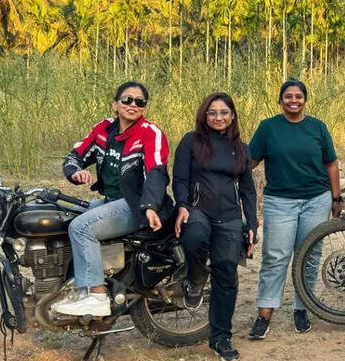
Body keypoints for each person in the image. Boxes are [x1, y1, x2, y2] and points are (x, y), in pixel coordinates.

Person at [52, 81, 173, 317]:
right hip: (112, 201)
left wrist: (150, 206)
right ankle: (74, 288)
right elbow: (75, 156)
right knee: (64, 219)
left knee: (81, 227)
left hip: (137, 205)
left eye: (140, 101)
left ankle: (96, 296)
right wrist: (75, 172)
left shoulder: (150, 133)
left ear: (144, 107)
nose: (133, 104)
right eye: (127, 99)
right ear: (115, 104)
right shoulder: (104, 129)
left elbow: (156, 173)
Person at [246, 79, 340, 340]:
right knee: (275, 257)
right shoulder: (268, 127)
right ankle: (265, 313)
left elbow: (331, 163)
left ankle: (302, 308)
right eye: (288, 96)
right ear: (281, 100)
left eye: (298, 96)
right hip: (279, 201)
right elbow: (250, 161)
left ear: (305, 100)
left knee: (309, 255)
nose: (294, 101)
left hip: (316, 199)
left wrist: (336, 197)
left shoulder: (317, 127)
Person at [172, 92, 258, 361]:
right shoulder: (191, 141)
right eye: (212, 112)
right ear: (204, 115)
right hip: (198, 210)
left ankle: (221, 338)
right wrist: (182, 206)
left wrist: (252, 223)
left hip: (229, 216)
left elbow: (248, 189)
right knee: (196, 236)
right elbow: (179, 179)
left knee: (226, 274)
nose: (218, 117)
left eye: (224, 112)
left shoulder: (241, 148)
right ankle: (196, 279)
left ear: (232, 116)